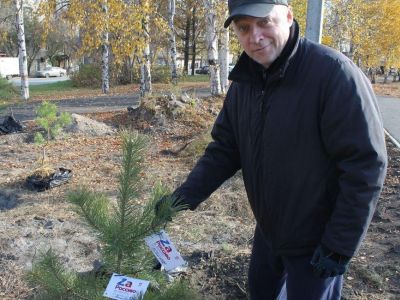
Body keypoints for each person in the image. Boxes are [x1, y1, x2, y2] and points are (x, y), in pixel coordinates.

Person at [156, 0, 387, 299]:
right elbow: (225, 150)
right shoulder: (246, 82)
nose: (255, 36)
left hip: (317, 243)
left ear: (288, 17)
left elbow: (365, 165)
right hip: (269, 234)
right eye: (244, 28)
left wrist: (339, 246)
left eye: (264, 22)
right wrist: (180, 199)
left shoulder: (333, 74)